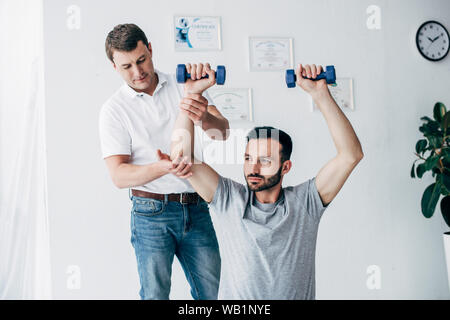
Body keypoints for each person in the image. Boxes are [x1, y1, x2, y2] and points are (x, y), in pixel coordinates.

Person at [170, 63, 364, 299]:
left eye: (264, 160)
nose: (253, 167)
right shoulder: (229, 199)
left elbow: (350, 155)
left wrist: (320, 94)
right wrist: (192, 94)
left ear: (286, 167)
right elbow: (182, 157)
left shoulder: (305, 203)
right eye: (248, 158)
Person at [99, 23, 229, 300]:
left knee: (214, 294)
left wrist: (203, 115)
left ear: (150, 50)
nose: (138, 72)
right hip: (150, 212)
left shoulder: (186, 86)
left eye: (141, 60)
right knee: (155, 295)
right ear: (114, 67)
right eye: (126, 66)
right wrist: (163, 167)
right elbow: (119, 176)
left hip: (196, 207)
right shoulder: (114, 110)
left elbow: (221, 133)